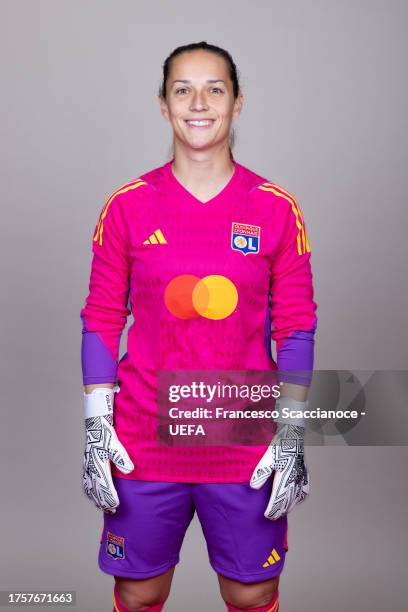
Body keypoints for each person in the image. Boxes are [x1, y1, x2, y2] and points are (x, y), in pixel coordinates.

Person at [80, 41, 317, 612]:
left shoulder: (275, 208)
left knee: (252, 590)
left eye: (215, 88)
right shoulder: (129, 205)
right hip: (142, 434)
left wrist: (291, 431)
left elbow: (297, 327)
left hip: (241, 434)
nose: (199, 102)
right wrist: (95, 424)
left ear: (238, 104)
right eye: (182, 89)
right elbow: (101, 318)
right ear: (163, 105)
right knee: (138, 593)